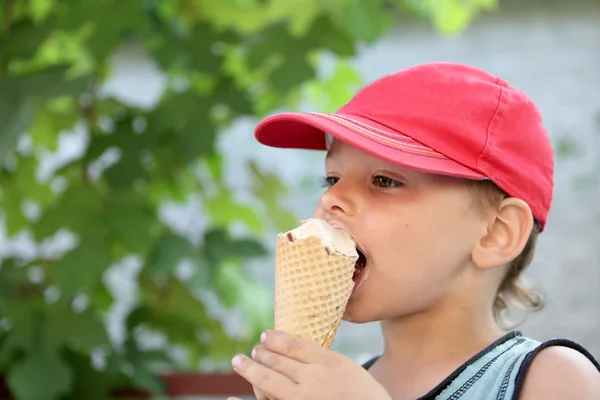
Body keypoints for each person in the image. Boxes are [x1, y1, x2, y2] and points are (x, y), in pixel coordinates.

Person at [227, 62, 600, 400]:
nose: (332, 199)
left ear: (496, 233)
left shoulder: (552, 378)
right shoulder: (340, 385)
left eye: (385, 180)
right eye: (331, 178)